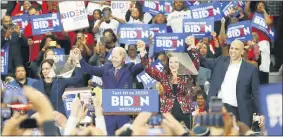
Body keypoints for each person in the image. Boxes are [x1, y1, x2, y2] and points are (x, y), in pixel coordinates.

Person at [73, 46, 145, 135]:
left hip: (124, 111)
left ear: (123, 58)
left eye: (116, 57)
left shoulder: (130, 68)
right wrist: (80, 58)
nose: (113, 60)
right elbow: (89, 69)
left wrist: (142, 51)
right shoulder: (106, 68)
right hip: (108, 112)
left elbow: (143, 65)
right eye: (112, 57)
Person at [193, 38, 262, 127]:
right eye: (231, 48)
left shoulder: (251, 69)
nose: (233, 51)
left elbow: (256, 93)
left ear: (242, 52)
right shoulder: (221, 61)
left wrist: (261, 113)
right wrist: (193, 48)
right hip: (217, 107)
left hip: (239, 110)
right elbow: (203, 61)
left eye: (236, 49)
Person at [138, 40, 200, 129]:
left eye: (176, 62)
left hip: (185, 113)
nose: (173, 65)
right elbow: (148, 68)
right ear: (168, 63)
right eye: (171, 62)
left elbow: (196, 65)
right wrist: (142, 51)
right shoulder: (163, 76)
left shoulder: (186, 75)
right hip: (168, 113)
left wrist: (192, 47)